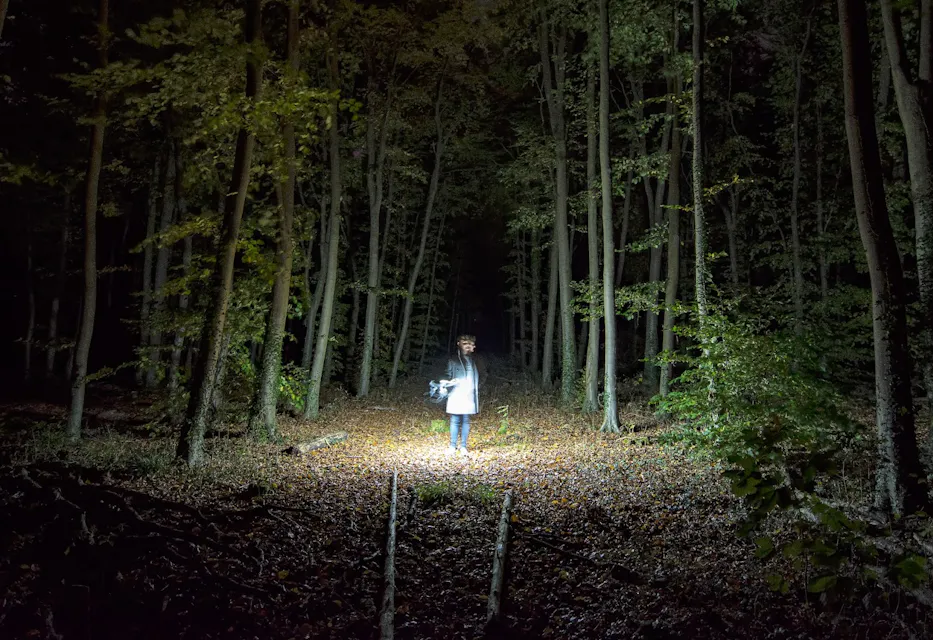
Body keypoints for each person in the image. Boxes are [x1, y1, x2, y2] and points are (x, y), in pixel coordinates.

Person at [444, 334, 480, 456]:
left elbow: (484, 374)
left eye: (470, 344)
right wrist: (449, 384)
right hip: (456, 393)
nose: (468, 347)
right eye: (465, 344)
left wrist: (476, 387)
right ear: (459, 344)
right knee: (454, 420)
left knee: (466, 419)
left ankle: (463, 446)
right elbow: (447, 375)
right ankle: (452, 446)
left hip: (469, 395)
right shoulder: (453, 360)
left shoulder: (476, 360)